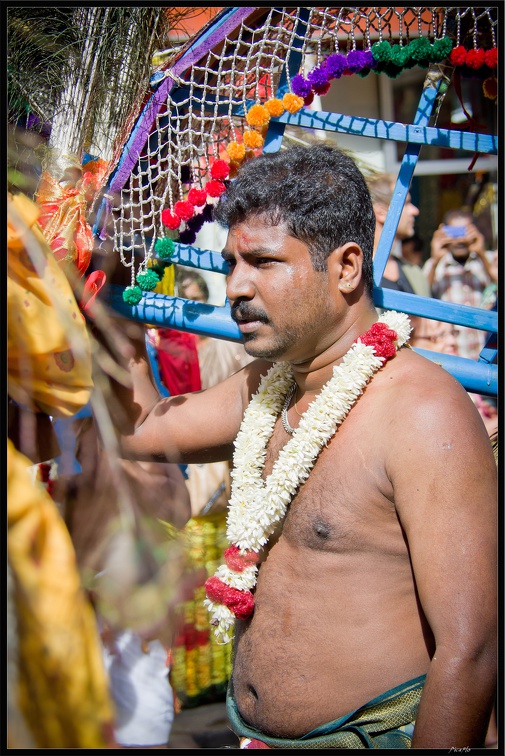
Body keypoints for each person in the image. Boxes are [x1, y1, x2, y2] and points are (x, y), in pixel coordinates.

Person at [103, 145, 496, 748]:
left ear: (344, 268)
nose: (235, 286)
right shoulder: (269, 384)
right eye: (231, 262)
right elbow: (140, 429)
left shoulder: (422, 412)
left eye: (262, 261)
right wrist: (108, 295)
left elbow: (470, 652)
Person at [423, 208, 498, 361]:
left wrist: (482, 253)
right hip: (455, 356)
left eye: (464, 231)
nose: (459, 240)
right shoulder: (437, 267)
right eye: (453, 232)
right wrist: (435, 258)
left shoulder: (489, 260)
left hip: (489, 355)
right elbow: (420, 294)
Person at [367, 172, 431, 297]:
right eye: (406, 203)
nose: (415, 211)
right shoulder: (355, 276)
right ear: (381, 212)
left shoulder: (413, 272)